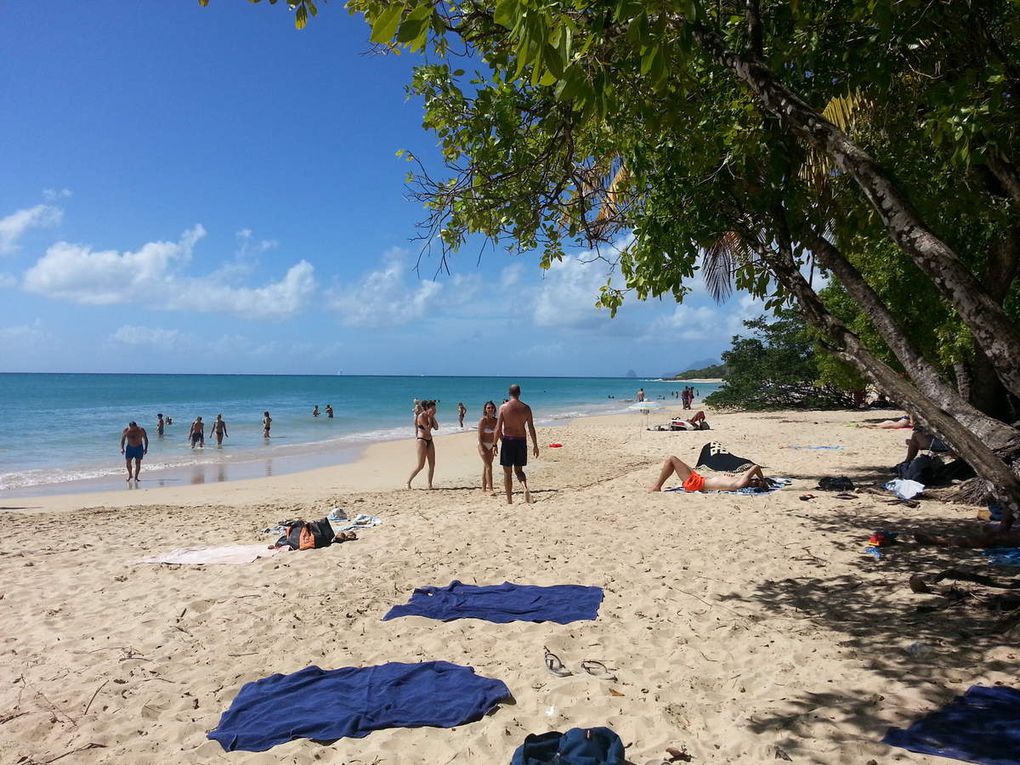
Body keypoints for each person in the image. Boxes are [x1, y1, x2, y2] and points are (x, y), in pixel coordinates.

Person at [494, 384, 539, 504]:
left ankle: (509, 500)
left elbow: (498, 428)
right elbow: (531, 427)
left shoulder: (503, 408)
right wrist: (535, 445)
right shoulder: (526, 408)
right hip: (521, 440)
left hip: (508, 441)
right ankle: (525, 487)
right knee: (519, 470)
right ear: (519, 393)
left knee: (507, 473)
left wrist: (494, 444)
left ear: (509, 393)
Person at [647, 455, 770, 493]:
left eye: (756, 482)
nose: (754, 480)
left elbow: (756, 467)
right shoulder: (739, 482)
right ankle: (657, 485)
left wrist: (762, 479)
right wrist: (726, 476)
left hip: (696, 483)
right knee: (678, 462)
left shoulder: (741, 482)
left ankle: (657, 486)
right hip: (699, 480)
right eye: (756, 480)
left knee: (671, 459)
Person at [407, 400, 438, 489]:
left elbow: (436, 427)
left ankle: (429, 484)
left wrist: (432, 417)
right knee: (420, 465)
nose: (434, 410)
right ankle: (408, 482)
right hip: (421, 440)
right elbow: (427, 429)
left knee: (432, 464)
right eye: (432, 409)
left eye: (435, 409)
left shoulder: (431, 416)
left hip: (429, 440)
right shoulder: (421, 416)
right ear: (427, 408)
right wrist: (429, 418)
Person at [477, 400, 499, 493]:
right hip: (483, 444)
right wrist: (482, 448)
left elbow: (497, 434)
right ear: (485, 410)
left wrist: (495, 445)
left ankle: (483, 488)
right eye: (488, 408)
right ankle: (491, 489)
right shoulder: (483, 420)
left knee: (486, 466)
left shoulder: (496, 421)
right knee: (489, 466)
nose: (490, 409)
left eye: (492, 407)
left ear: (494, 409)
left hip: (492, 445)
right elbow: (479, 435)